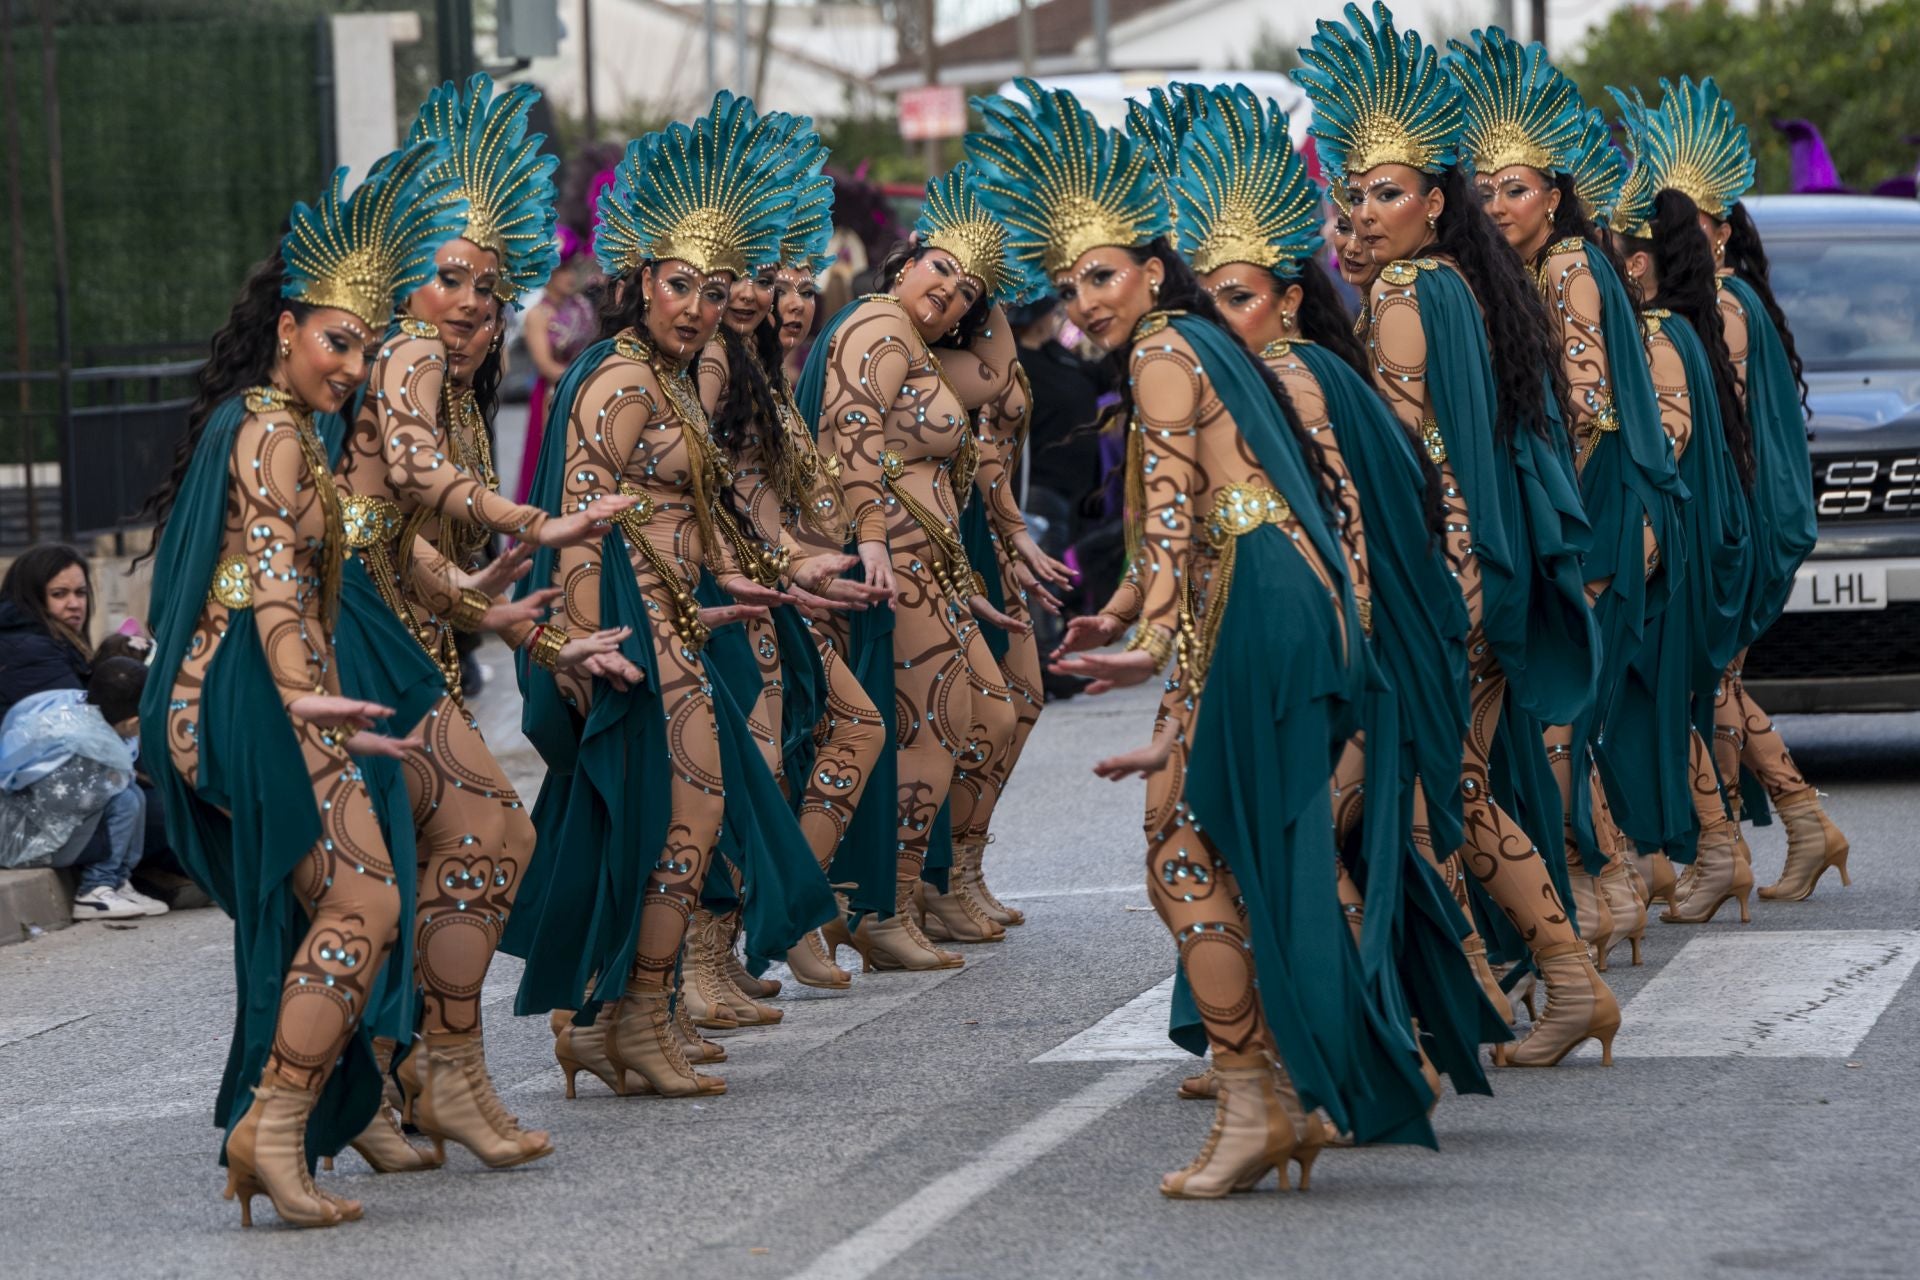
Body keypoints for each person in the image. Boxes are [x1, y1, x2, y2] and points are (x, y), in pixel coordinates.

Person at [971, 76, 1434, 1198]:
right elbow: (1185, 510)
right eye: (1069, 285)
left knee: (1186, 850)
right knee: (1220, 839)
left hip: (1262, 606)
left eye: (1100, 276)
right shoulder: (1194, 345)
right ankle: (1283, 1081)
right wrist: (1133, 610)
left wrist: (1153, 635)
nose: (1081, 304)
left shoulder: (1167, 353)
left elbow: (1179, 511)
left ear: (1149, 265)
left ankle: (1258, 1098)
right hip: (1280, 598)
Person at [1160, 81, 1509, 1102]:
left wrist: (1347, 640)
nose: (1362, 216)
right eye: (1208, 301)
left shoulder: (1315, 364)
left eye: (1242, 296)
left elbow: (1358, 515)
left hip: (1345, 635)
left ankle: (1342, 1038)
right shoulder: (1276, 366)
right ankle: (1342, 1026)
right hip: (1342, 625)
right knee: (1378, 820)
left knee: (1306, 829)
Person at [139, 138, 462, 1228]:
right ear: (286, 328)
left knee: (350, 898)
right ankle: (275, 1126)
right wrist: (296, 688)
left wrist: (480, 588)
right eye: (337, 340)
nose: (353, 366)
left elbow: (347, 544)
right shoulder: (272, 431)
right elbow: (271, 578)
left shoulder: (288, 431)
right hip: (241, 693)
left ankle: (283, 1123)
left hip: (269, 688)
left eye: (367, 347)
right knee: (364, 895)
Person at [1294, 2, 1613, 1068]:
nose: (1366, 212)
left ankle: (1412, 1018)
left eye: (1388, 193)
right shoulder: (1465, 284)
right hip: (1484, 572)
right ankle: (1546, 984)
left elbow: (1389, 464)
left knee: (1359, 798)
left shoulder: (1399, 295)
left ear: (1435, 200)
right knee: (1453, 787)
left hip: (1435, 580)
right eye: (1354, 194)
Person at [329, 74, 633, 1172]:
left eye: (486, 283)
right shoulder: (404, 356)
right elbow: (406, 480)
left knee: (405, 868)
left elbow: (404, 544)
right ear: (406, 279)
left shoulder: (448, 379)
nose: (466, 299)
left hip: (388, 625)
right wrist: (532, 520)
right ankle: (432, 1070)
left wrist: (539, 633)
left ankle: (400, 1076)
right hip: (347, 633)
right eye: (447, 275)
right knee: (480, 836)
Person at [504, 92, 831, 1101]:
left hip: (678, 616)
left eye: (717, 286)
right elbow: (580, 514)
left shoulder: (673, 374)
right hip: (630, 628)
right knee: (679, 824)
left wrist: (744, 574)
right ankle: (632, 1019)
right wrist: (584, 643)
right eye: (681, 283)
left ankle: (620, 1021)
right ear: (641, 279)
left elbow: (690, 505)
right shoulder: (617, 378)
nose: (698, 303)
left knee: (677, 825)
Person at [1447, 29, 1684, 969]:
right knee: (1553, 713)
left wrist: (1537, 492)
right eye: (1491, 189)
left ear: (1555, 192)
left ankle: (1605, 884)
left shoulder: (1572, 267)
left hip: (1595, 501)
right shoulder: (1539, 269)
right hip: (1581, 502)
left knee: (1554, 716)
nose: (1503, 202)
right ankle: (1603, 884)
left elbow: (1588, 406)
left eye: (1520, 187)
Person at [793, 163, 1031, 972]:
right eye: (942, 271)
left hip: (932, 568)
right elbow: (849, 427)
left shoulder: (922, 350)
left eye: (970, 293)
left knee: (981, 716)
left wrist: (986, 287)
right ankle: (873, 905)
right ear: (903, 262)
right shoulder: (880, 325)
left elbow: (995, 376)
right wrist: (866, 540)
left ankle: (926, 888)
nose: (955, 297)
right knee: (929, 726)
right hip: (892, 562)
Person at [691, 117, 890, 1010]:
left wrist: (816, 557)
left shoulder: (764, 372)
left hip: (783, 585)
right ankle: (718, 950)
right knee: (761, 767)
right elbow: (711, 497)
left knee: (833, 739)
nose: (794, 298)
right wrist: (789, 566)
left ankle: (780, 922)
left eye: (806, 282)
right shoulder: (713, 371)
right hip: (745, 593)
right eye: (774, 281)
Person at [1606, 88, 1762, 931]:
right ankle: (1693, 855)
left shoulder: (1662, 332)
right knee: (1675, 707)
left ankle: (1705, 851)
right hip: (1686, 538)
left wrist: (1633, 540)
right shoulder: (1677, 324)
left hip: (1669, 544)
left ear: (1638, 262)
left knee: (1661, 705)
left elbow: (1668, 436)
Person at [1685, 85, 1845, 904]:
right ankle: (1791, 830)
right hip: (1733, 526)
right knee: (1715, 685)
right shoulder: (1722, 301)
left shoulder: (1722, 307)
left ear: (1719, 231)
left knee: (1708, 683)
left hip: (1733, 530)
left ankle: (1741, 848)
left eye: (1690, 225)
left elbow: (1719, 440)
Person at [0, 655, 162, 919]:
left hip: (25, 825)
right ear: (133, 722)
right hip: (26, 843)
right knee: (125, 800)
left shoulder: (74, 708)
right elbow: (68, 804)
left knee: (131, 793)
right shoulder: (86, 744)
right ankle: (95, 888)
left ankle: (118, 881)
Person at [0, 543, 93, 720]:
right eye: (59, 594)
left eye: (80, 593)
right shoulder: (29, 650)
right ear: (30, 598)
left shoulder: (54, 642)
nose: (74, 604)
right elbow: (78, 726)